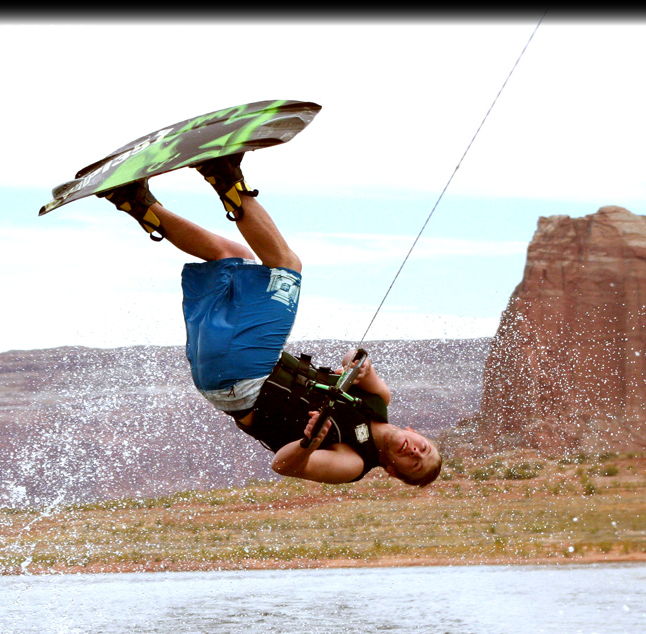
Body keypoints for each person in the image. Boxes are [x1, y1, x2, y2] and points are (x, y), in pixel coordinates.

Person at [101, 154, 441, 487]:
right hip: (225, 375)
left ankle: (223, 175)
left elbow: (283, 465)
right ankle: (134, 200)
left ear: (394, 471)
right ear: (416, 433)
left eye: (412, 462)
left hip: (247, 378)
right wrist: (359, 367)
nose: (414, 451)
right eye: (422, 448)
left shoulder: (352, 463)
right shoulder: (379, 401)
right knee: (232, 256)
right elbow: (353, 362)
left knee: (287, 265)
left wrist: (309, 442)